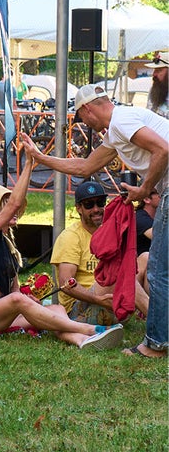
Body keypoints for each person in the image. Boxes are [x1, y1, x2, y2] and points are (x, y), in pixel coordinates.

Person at [20, 80, 169, 358]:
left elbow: (163, 149)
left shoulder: (121, 121)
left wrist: (145, 189)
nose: (85, 124)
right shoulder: (117, 131)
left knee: (159, 269)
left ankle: (157, 345)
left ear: (88, 110)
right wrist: (40, 158)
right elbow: (85, 166)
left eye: (81, 118)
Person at [0, 157, 121, 348]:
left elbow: (14, 291)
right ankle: (90, 330)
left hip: (2, 313)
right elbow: (15, 204)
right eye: (5, 205)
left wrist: (30, 300)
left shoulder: (9, 248)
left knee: (56, 310)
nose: (14, 211)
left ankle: (82, 341)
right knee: (18, 300)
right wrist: (27, 166)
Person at [51, 179, 144, 326]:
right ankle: (159, 322)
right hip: (79, 313)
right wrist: (97, 299)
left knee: (146, 258)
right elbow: (65, 282)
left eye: (100, 202)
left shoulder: (109, 231)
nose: (96, 209)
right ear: (78, 208)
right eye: (89, 205)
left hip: (112, 302)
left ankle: (156, 315)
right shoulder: (70, 236)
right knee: (121, 276)